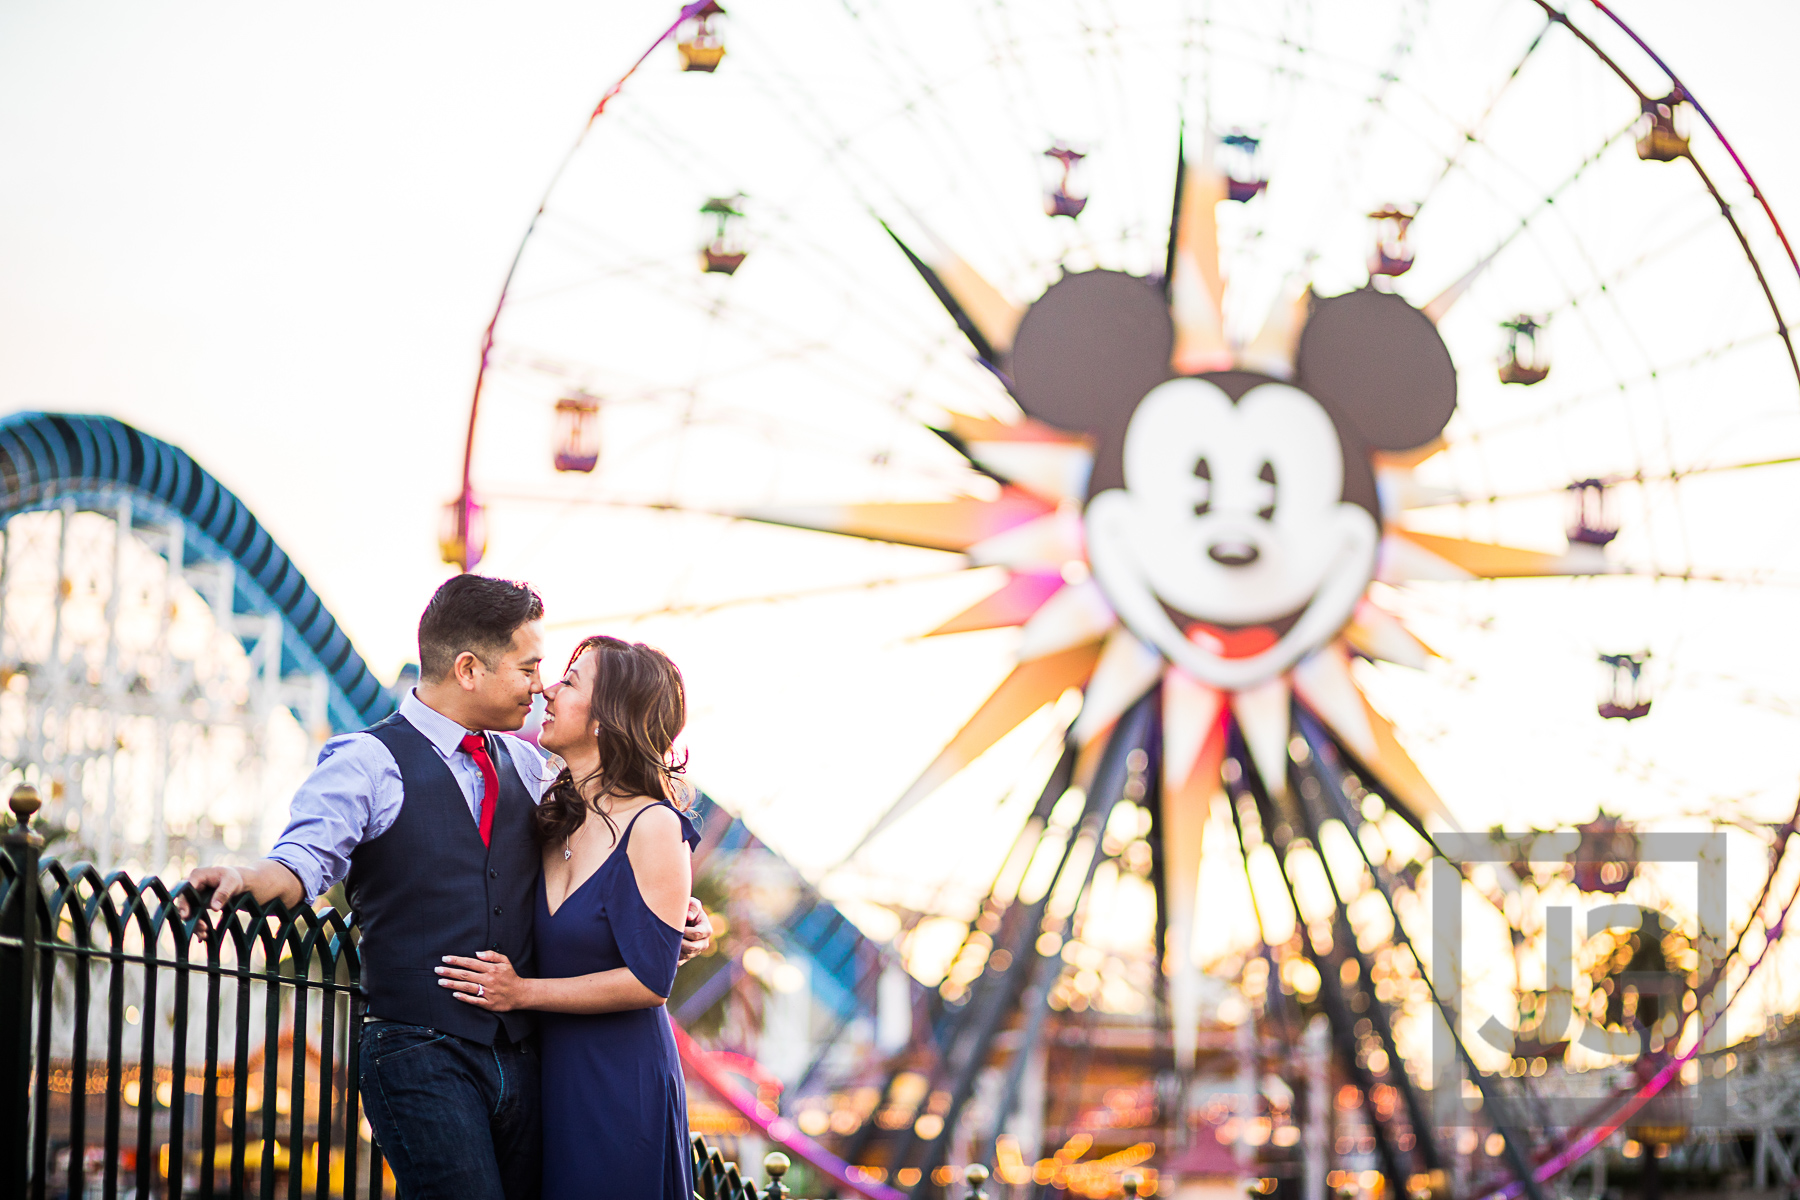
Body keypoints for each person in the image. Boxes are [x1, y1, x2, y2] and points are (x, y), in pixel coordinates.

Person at [185, 577, 712, 1200]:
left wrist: (676, 911)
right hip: (420, 1051)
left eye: (553, 674)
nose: (541, 685)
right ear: (468, 669)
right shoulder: (366, 760)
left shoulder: (528, 769)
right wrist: (247, 879)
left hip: (528, 1063)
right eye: (529, 667)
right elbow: (302, 859)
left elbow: (609, 863)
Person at [434, 635, 700, 1200]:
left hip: (620, 1085)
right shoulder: (551, 815)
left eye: (571, 682)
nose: (547, 689)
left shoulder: (652, 824)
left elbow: (651, 980)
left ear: (608, 719)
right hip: (546, 1083)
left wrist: (520, 992)